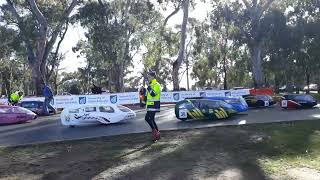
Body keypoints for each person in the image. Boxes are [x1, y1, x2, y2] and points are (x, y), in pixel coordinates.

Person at [145, 71, 161, 142]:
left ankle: (155, 134)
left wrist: (148, 87)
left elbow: (153, 94)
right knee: (150, 119)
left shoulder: (157, 85)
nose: (148, 78)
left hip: (154, 104)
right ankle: (157, 134)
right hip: (150, 104)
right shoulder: (151, 85)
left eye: (149, 77)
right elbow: (147, 96)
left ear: (153, 77)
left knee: (148, 118)